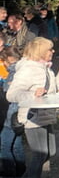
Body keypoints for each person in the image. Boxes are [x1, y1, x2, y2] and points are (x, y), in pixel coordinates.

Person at [6, 37, 59, 178]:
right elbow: (12, 94)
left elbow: (53, 89)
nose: (53, 51)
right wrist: (32, 94)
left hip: (46, 115)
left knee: (50, 152)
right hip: (33, 117)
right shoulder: (28, 69)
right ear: (41, 51)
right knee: (40, 154)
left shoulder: (45, 67)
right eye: (50, 49)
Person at [0, 45, 26, 177]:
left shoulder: (11, 75)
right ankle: (22, 170)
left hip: (10, 115)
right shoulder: (22, 71)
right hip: (19, 115)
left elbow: (7, 95)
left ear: (6, 61)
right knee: (16, 144)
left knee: (4, 146)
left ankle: (9, 173)